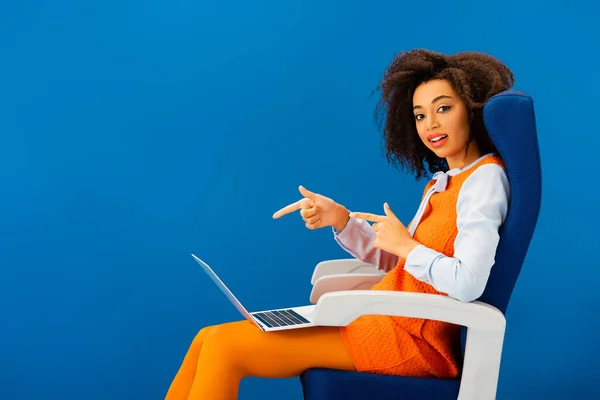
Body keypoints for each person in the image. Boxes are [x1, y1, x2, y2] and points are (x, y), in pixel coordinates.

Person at [164, 49, 514, 400]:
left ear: (473, 107)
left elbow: (468, 283)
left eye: (443, 108)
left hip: (411, 341)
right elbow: (408, 269)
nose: (430, 125)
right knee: (207, 338)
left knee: (224, 347)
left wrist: (407, 245)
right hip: (382, 322)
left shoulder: (484, 180)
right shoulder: (446, 182)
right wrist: (342, 220)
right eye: (420, 115)